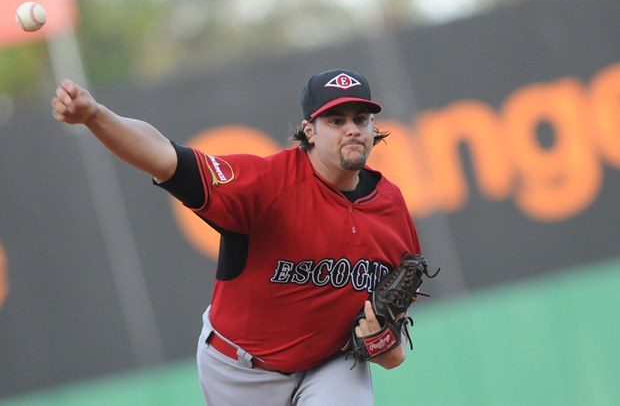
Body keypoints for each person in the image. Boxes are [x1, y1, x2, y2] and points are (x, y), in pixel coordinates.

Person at [51, 68, 423, 406]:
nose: (352, 129)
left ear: (374, 126)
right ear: (309, 130)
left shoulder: (390, 207)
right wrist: (96, 116)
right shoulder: (266, 185)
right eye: (336, 120)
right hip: (240, 370)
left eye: (361, 119)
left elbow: (392, 355)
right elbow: (165, 157)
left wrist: (382, 342)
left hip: (331, 361)